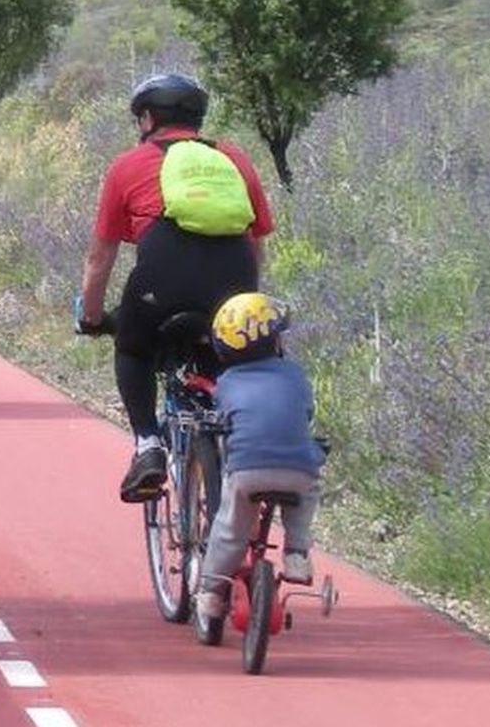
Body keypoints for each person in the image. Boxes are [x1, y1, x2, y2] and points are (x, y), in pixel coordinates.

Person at [74, 73, 275, 501]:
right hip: (234, 280)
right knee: (230, 363)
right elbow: (255, 243)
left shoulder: (128, 165)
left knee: (133, 346)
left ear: (147, 118)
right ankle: (245, 449)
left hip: (161, 280)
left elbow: (100, 257)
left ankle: (147, 445)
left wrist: (92, 316)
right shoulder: (234, 158)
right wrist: (240, 299)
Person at [194, 292, 326, 622]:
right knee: (305, 494)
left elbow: (224, 418)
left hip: (248, 471)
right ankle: (296, 553)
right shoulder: (295, 375)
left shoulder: (226, 382)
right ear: (276, 342)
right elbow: (305, 412)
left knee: (229, 528)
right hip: (297, 467)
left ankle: (210, 593)